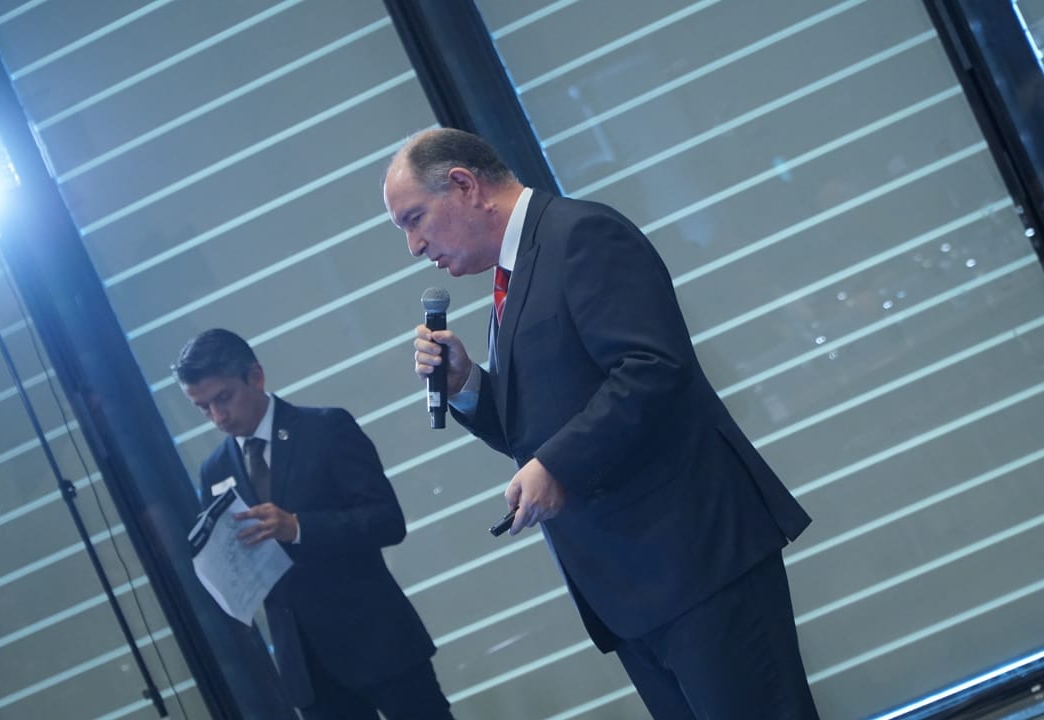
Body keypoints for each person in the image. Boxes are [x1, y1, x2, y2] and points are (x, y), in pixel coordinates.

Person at [386, 128, 819, 719]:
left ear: (464, 185)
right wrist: (466, 384)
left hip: (694, 558)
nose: (414, 246)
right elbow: (539, 425)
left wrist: (556, 466)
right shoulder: (513, 273)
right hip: (631, 584)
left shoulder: (580, 235)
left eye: (414, 219)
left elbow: (651, 368)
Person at [172, 329, 453, 720]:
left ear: (256, 376)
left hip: (377, 641)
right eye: (203, 408)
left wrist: (299, 527)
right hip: (306, 668)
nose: (218, 417)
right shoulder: (214, 470)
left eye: (223, 398)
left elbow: (387, 521)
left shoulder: (325, 429)